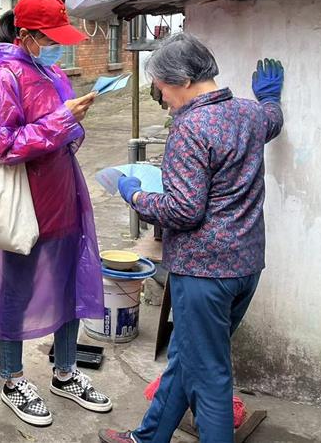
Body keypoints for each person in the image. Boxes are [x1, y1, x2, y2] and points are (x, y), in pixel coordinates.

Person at [99, 34, 284, 443]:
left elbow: (183, 210)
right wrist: (271, 98)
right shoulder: (250, 113)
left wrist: (134, 194)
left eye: (161, 88)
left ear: (182, 80)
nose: (162, 98)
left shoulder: (190, 127)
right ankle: (148, 438)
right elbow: (273, 120)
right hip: (246, 266)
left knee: (210, 379)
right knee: (187, 359)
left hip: (204, 274)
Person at [0, 0, 111, 427]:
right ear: (27, 35)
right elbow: (5, 145)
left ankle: (65, 372)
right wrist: (63, 120)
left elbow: (59, 134)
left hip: (63, 195)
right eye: (50, 38)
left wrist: (73, 118)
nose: (57, 46)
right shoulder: (3, 78)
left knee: (70, 282)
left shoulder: (50, 72)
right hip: (24, 205)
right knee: (16, 289)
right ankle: (12, 379)